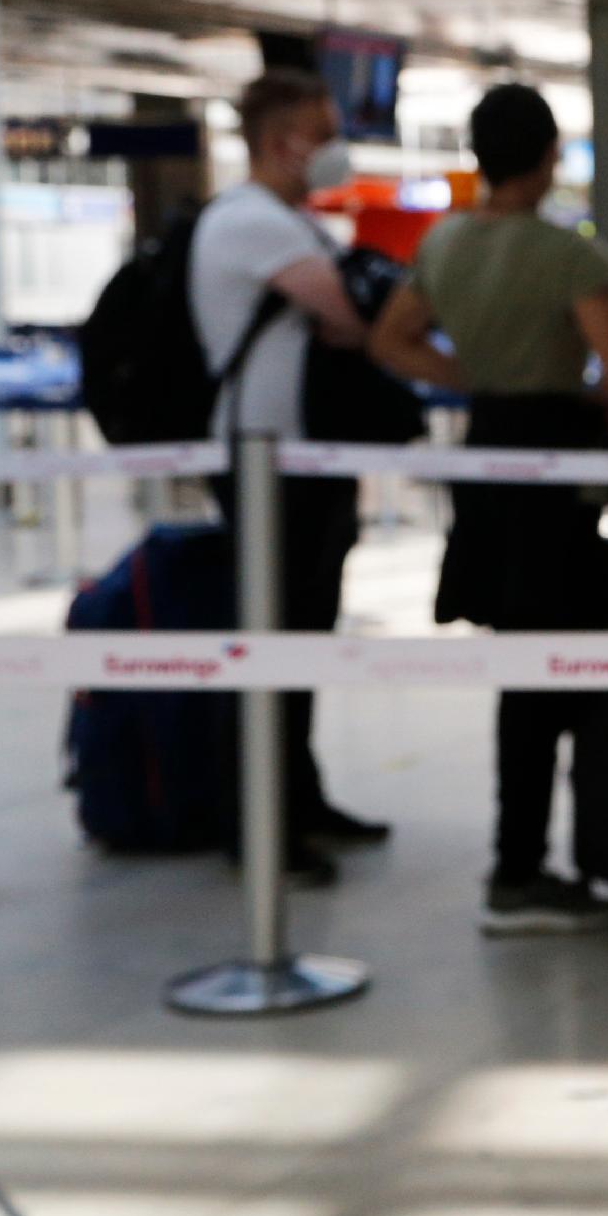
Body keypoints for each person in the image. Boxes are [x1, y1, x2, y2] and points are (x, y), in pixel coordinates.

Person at [369, 84, 608, 935]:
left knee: (520, 658)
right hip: (555, 461)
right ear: (550, 154)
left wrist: (481, 384)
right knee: (557, 661)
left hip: (487, 451)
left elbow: (390, 339)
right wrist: (574, 400)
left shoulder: (444, 241)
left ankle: (522, 860)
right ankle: (524, 870)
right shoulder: (568, 256)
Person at [186, 68, 391, 885]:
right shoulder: (250, 223)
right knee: (272, 643)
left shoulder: (285, 222)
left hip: (303, 457)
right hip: (265, 462)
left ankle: (298, 799)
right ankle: (259, 825)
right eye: (326, 131)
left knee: (303, 637)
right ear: (282, 143)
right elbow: (348, 317)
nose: (336, 149)